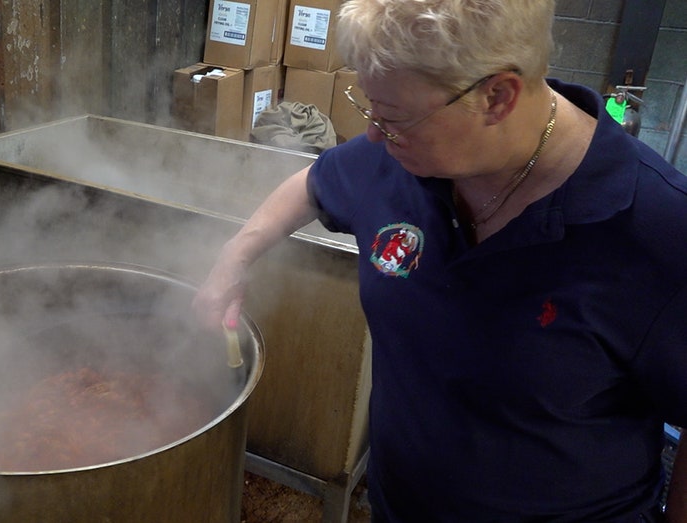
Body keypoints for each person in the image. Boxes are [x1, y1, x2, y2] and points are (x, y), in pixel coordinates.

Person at [191, 0, 687, 521]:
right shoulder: (405, 155)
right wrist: (238, 252)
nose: (376, 137)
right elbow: (315, 183)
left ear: (497, 96)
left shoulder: (659, 230)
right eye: (371, 111)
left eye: (396, 118)